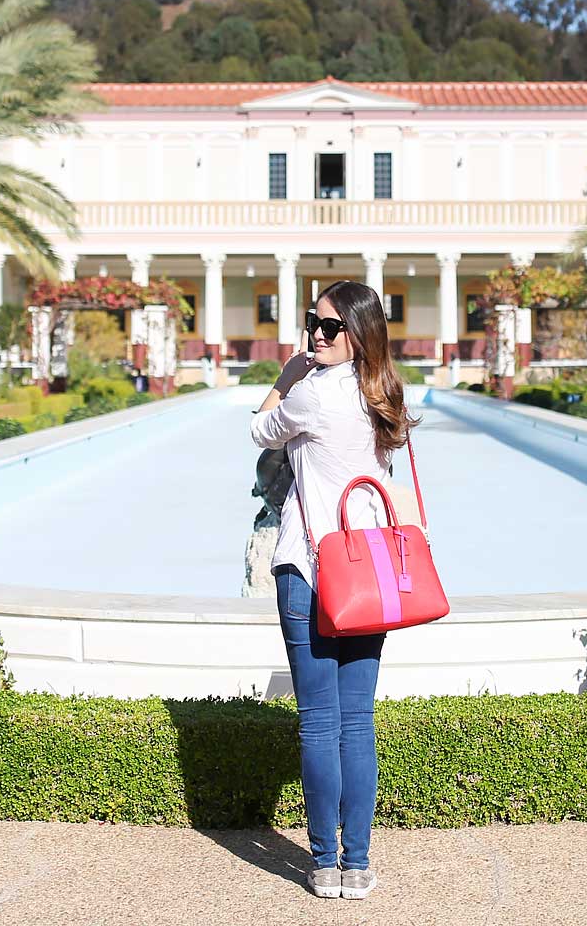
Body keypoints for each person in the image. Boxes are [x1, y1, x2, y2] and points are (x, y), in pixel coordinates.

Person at [250, 279, 417, 901]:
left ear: (357, 332)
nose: (315, 336)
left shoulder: (312, 394)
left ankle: (325, 863)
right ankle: (359, 864)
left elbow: (257, 430)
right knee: (358, 723)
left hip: (310, 567)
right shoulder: (385, 393)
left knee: (320, 724)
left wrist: (289, 372)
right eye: (310, 324)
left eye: (327, 327)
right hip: (370, 569)